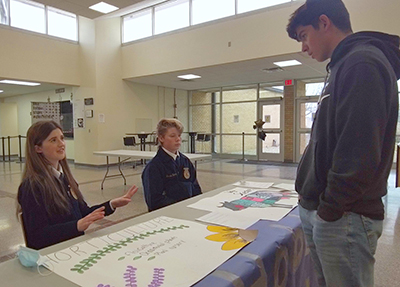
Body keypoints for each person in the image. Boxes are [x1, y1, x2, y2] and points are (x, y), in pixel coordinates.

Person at [286, 0, 400, 286]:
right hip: (330, 212)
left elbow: (358, 150)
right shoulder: (342, 66)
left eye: (303, 36)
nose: (303, 46)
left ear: (324, 23)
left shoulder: (362, 63)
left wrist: (330, 210)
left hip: (344, 216)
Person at [17, 120, 138, 250]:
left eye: (62, 138)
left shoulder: (64, 179)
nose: (61, 144)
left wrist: (111, 204)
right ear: (38, 148)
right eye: (53, 140)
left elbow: (83, 212)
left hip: (75, 247)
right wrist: (76, 226)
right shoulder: (32, 187)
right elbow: (37, 236)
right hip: (55, 255)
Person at [142, 118, 202, 211]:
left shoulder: (185, 161)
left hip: (188, 210)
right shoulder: (154, 167)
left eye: (179, 135)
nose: (178, 139)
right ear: (161, 138)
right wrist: (180, 206)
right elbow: (154, 201)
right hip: (168, 214)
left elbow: (195, 188)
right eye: (172, 136)